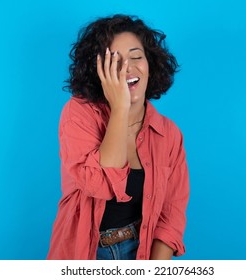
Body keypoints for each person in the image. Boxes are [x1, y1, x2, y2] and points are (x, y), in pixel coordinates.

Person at [47, 14, 189, 260]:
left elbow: (171, 215)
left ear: (150, 63)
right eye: (115, 61)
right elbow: (97, 184)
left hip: (142, 251)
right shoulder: (78, 113)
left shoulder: (169, 134)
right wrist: (121, 108)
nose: (128, 68)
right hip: (86, 252)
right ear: (98, 69)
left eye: (136, 57)